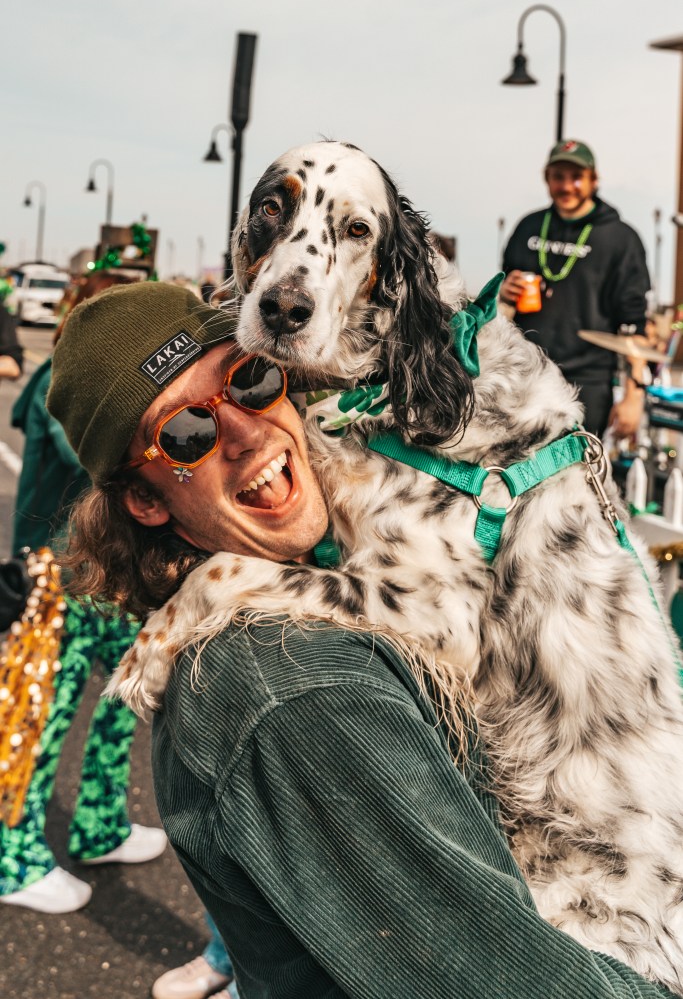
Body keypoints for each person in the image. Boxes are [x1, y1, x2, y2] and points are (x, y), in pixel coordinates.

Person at [47, 280, 675, 997]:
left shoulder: (313, 591)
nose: (246, 433)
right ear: (144, 499)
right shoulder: (293, 687)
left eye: (250, 380)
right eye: (188, 434)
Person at [0, 273, 166, 914]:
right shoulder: (66, 384)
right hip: (57, 579)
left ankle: (98, 823)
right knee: (39, 716)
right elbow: (94, 459)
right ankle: (13, 860)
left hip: (104, 581)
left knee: (123, 701)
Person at [500, 139, 650, 439]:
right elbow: (503, 305)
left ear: (594, 180)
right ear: (547, 178)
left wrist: (634, 397)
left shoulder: (621, 239)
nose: (567, 186)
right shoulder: (528, 226)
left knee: (575, 464)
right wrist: (504, 293)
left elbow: (633, 324)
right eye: (558, 177)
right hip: (525, 371)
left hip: (587, 381)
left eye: (577, 177)